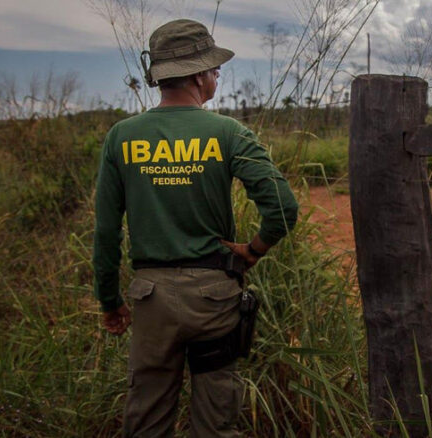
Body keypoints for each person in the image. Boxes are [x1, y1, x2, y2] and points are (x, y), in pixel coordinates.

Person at [91, 19, 299, 437]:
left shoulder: (121, 137)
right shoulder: (227, 132)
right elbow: (281, 207)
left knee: (147, 418)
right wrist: (252, 250)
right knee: (217, 422)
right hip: (215, 296)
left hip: (150, 301)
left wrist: (110, 301)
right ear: (200, 75)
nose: (217, 76)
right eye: (214, 69)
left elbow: (106, 233)